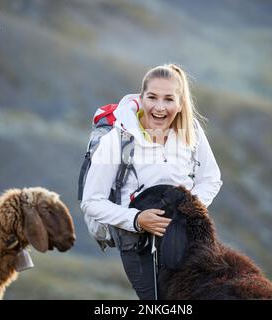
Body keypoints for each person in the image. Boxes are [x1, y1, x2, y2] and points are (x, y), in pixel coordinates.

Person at [81, 63, 222, 299]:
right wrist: (136, 220)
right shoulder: (119, 138)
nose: (159, 107)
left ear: (180, 103)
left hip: (183, 235)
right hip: (136, 241)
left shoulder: (192, 131)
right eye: (152, 97)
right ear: (141, 97)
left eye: (168, 99)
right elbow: (91, 201)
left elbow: (211, 179)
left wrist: (188, 211)